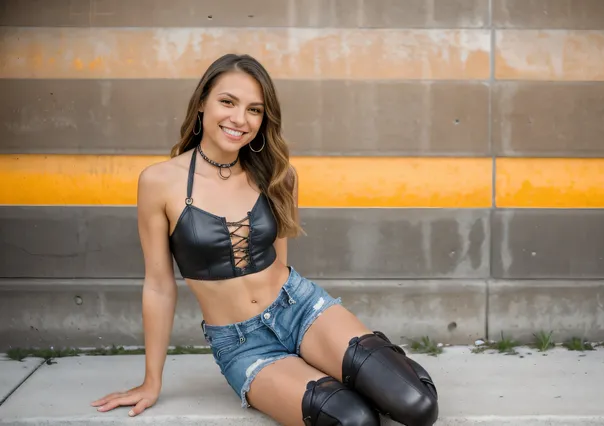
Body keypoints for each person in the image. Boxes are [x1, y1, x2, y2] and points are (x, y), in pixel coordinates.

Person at [90, 53, 439, 426]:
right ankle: (349, 370)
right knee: (353, 420)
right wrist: (151, 381)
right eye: (228, 102)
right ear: (202, 103)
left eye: (254, 110)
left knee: (417, 403)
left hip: (301, 309)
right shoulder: (159, 182)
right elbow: (159, 286)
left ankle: (369, 361)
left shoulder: (277, 174)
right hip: (243, 345)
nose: (240, 119)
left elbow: (280, 262)